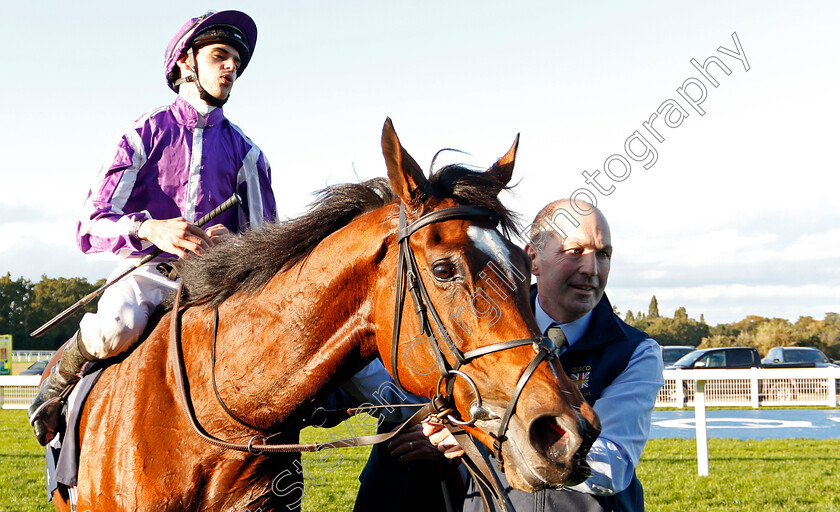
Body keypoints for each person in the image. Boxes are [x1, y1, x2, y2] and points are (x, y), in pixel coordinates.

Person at [28, 10, 276, 446]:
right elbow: (90, 224)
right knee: (116, 328)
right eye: (220, 55)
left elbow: (268, 245)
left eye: (236, 60)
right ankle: (59, 383)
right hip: (144, 276)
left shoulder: (250, 155)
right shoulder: (139, 135)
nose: (231, 67)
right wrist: (151, 229)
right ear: (186, 62)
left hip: (215, 283)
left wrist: (236, 245)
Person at [424, 198, 665, 511]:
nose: (592, 269)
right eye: (575, 251)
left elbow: (610, 468)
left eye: (603, 254)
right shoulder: (480, 334)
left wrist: (483, 434)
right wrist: (445, 430)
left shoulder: (636, 352)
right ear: (532, 259)